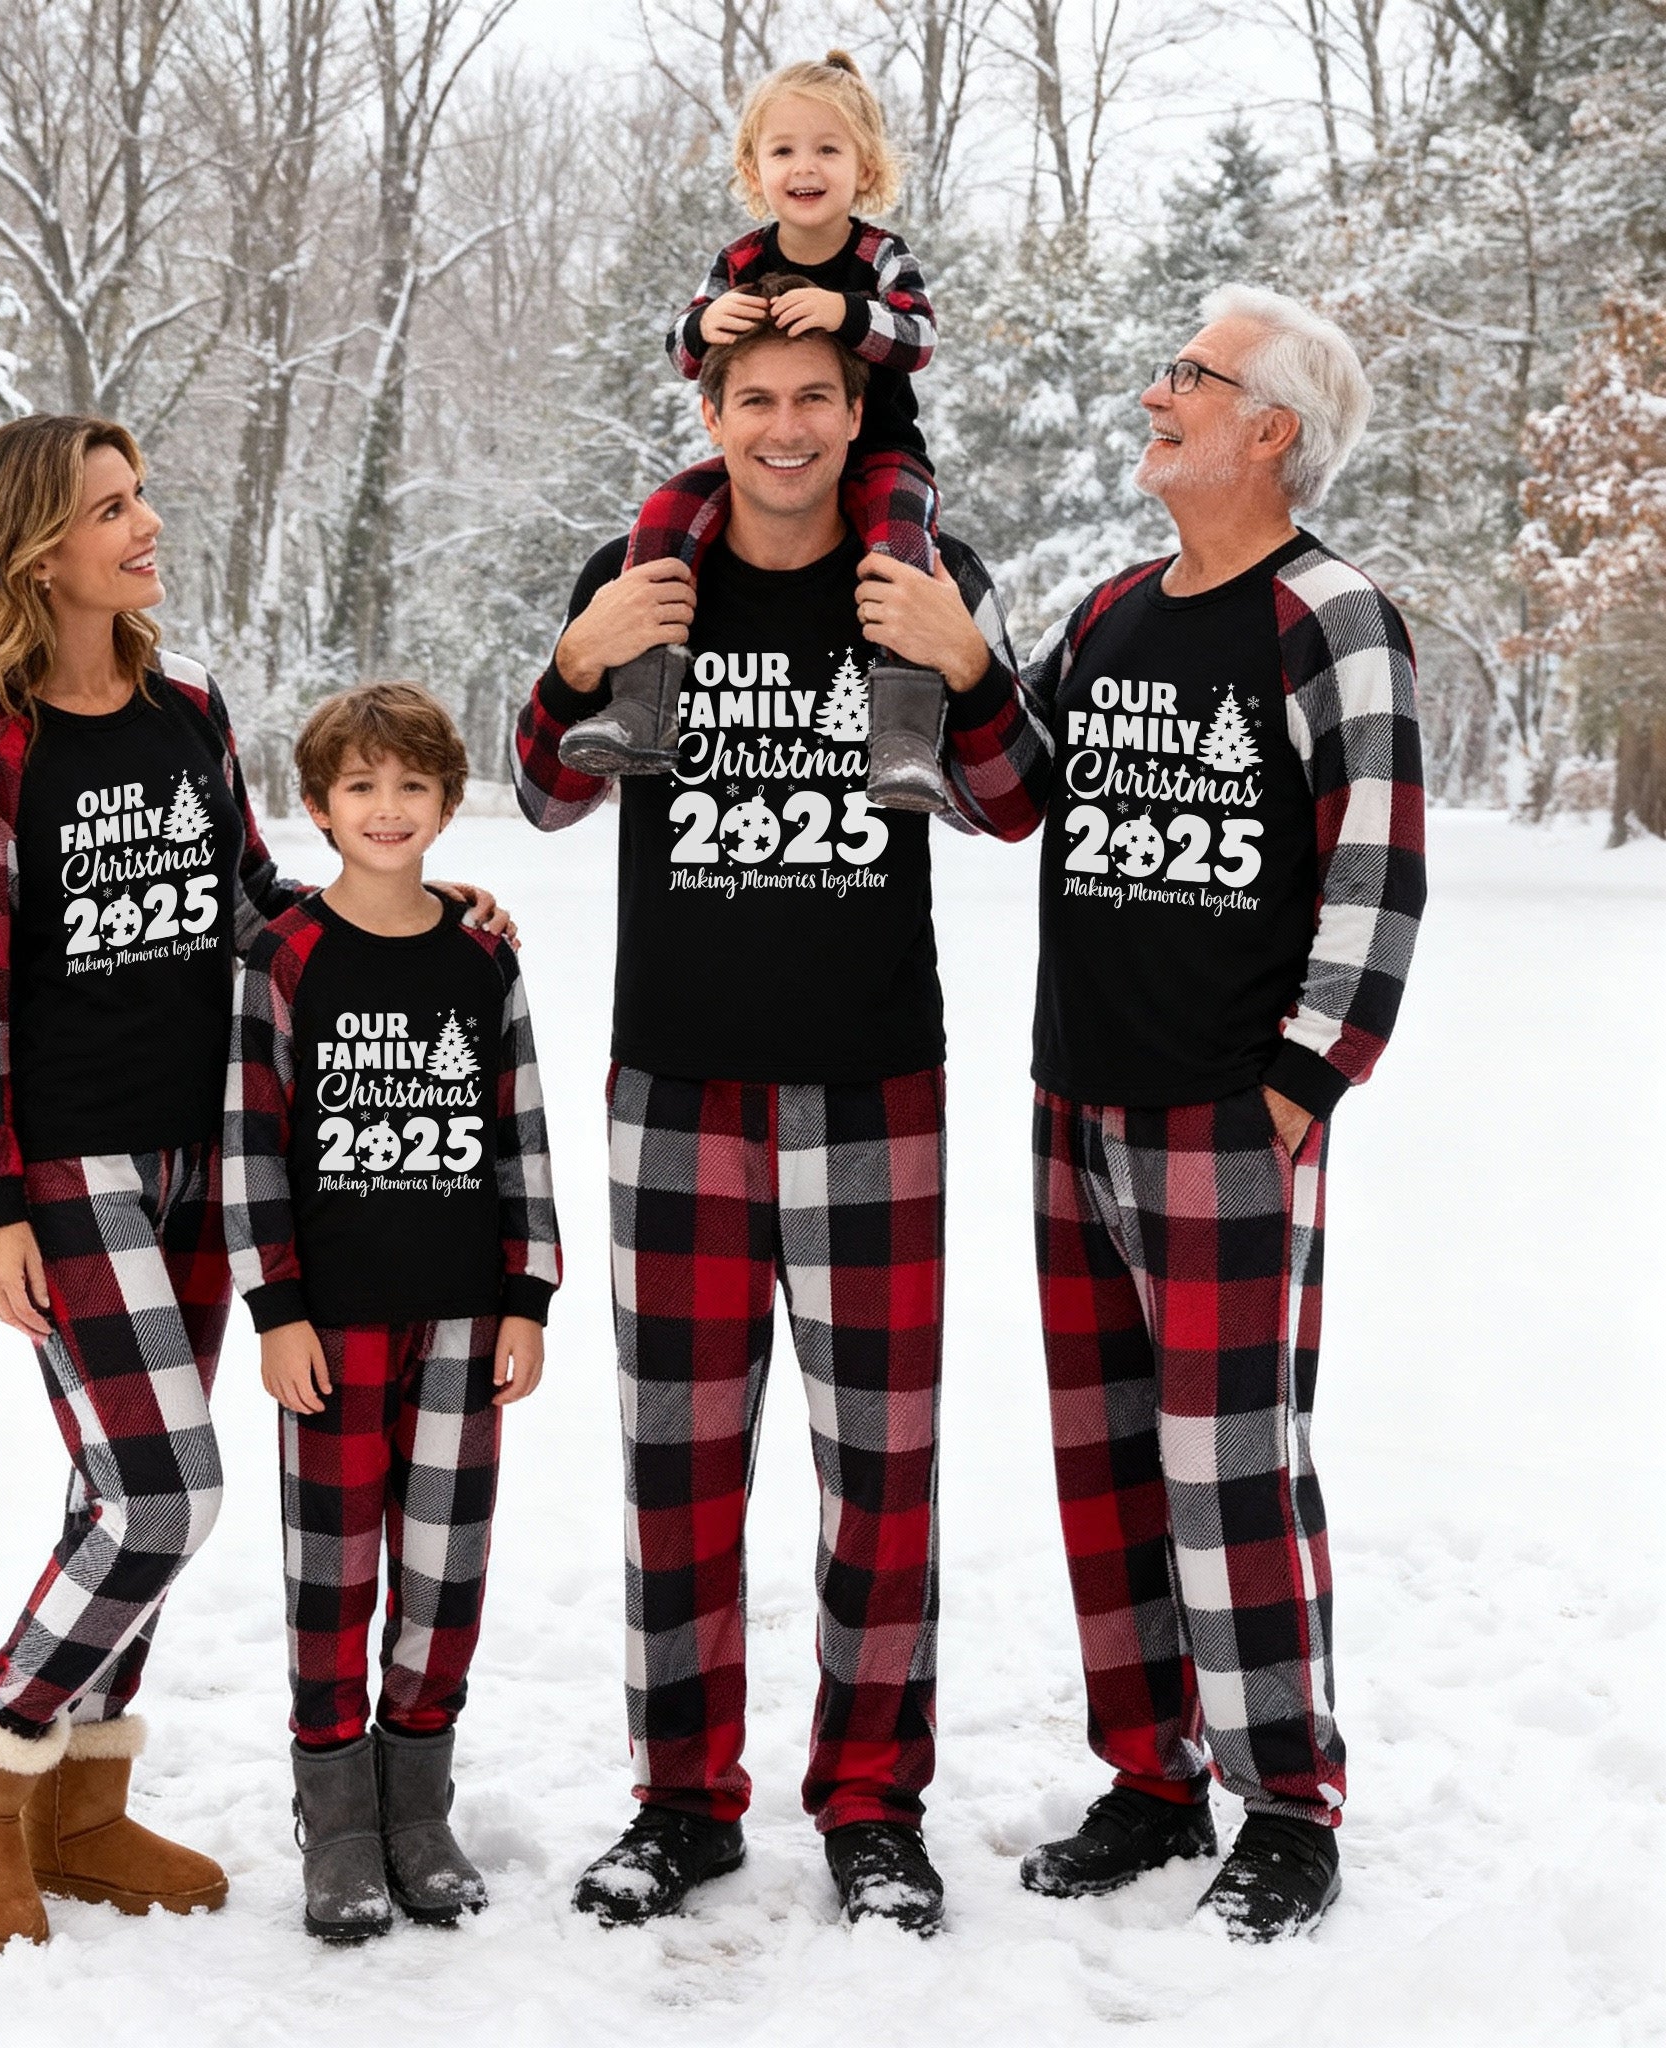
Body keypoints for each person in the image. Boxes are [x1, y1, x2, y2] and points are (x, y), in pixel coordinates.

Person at [0, 415, 508, 1957]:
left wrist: (403, 909)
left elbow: (249, 908)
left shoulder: (187, 710)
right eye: (113, 507)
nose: (145, 523)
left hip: (212, 1166)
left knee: (118, 1491)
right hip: (70, 1167)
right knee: (168, 1494)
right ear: (41, 549)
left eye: (140, 494)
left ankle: (82, 1806)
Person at [514, 293, 1018, 1935]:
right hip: (674, 1086)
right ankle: (682, 1799)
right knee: (677, 1463)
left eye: (818, 397)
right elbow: (543, 787)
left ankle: (871, 1802)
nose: (788, 427)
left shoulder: (919, 578)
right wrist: (570, 664)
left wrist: (973, 668)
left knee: (879, 1470)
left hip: (872, 1081)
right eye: (758, 400)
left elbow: (1013, 806)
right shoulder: (639, 576)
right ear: (712, 411)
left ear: (855, 412)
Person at [941, 285, 1427, 1940]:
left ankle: (1286, 1797)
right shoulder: (1109, 609)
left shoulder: (1330, 617)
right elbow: (1010, 797)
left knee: (1229, 1464)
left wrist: (1300, 1084)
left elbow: (1373, 872)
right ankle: (1152, 1775)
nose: (1152, 394)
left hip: (1230, 1113)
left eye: (1187, 377)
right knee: (1108, 1458)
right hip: (1071, 1100)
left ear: (1267, 430)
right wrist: (961, 666)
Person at [223, 683, 561, 1942]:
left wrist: (527, 1291)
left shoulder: (483, 953)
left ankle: (417, 1800)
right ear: (316, 808)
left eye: (409, 786)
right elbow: (252, 1142)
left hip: (465, 1317)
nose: (385, 808)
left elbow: (520, 1129)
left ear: (445, 804)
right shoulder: (285, 959)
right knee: (332, 1567)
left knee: (441, 1564)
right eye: (358, 787)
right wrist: (277, 1306)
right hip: (333, 1323)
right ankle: (339, 1819)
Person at [558, 51, 952, 813]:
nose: (805, 167)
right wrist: (708, 323)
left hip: (877, 455)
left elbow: (919, 340)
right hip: (760, 464)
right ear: (753, 166)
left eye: (828, 149)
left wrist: (846, 312)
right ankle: (644, 702)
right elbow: (680, 349)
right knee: (666, 512)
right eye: (784, 150)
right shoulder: (739, 258)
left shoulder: (878, 256)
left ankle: (903, 734)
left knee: (901, 554)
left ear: (864, 167)